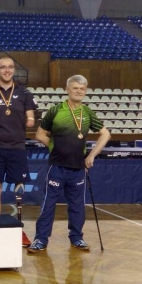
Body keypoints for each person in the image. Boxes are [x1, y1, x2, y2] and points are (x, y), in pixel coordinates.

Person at [28, 74, 111, 253]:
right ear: (67, 89)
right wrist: (54, 146)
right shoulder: (56, 110)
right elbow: (39, 134)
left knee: (77, 206)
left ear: (86, 91)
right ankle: (40, 240)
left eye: (82, 89)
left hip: (78, 168)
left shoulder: (87, 113)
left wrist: (92, 156)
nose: (79, 91)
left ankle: (77, 238)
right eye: (75, 88)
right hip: (56, 166)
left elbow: (105, 134)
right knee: (48, 204)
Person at [0, 57, 37, 215]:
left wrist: (30, 120)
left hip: (17, 148)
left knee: (19, 190)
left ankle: (18, 224)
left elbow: (31, 117)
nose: (7, 70)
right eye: (3, 67)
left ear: (14, 70)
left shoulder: (24, 93)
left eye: (10, 67)